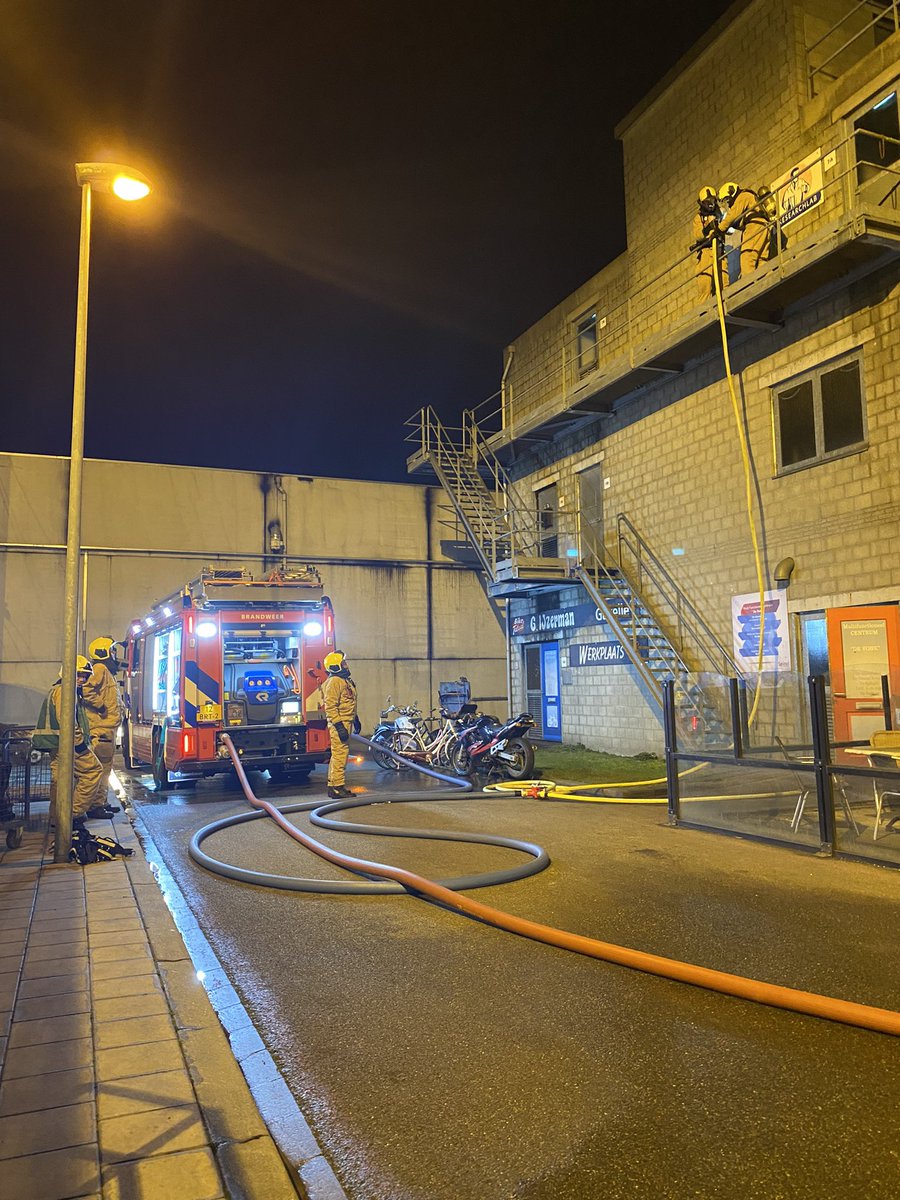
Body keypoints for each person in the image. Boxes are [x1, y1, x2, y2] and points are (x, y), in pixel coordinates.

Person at [32, 656, 104, 829]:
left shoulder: (58, 690)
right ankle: (72, 814)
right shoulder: (66, 692)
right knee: (93, 771)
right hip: (68, 745)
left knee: (60, 782)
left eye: (85, 676)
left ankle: (57, 819)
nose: (83, 679)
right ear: (68, 673)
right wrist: (80, 744)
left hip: (56, 745)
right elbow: (67, 721)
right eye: (79, 675)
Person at [81, 636, 124, 818]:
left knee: (106, 770)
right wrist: (100, 706)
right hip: (101, 729)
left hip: (107, 729)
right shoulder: (99, 669)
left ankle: (101, 802)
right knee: (101, 769)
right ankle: (95, 806)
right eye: (112, 650)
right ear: (103, 652)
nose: (115, 653)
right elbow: (85, 690)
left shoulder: (106, 671)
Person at [322, 650, 361, 799]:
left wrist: (355, 719)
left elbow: (348, 702)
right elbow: (330, 707)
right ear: (335, 666)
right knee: (340, 756)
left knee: (339, 755)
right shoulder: (335, 682)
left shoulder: (344, 681)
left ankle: (334, 786)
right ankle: (337, 787)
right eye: (343, 663)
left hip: (346, 721)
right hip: (340, 723)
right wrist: (339, 727)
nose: (346, 665)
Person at [718, 182, 773, 278]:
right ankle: (767, 278)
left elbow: (732, 215)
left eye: (727, 199)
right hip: (763, 226)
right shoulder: (749, 197)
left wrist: (719, 229)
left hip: (754, 226)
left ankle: (749, 282)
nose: (728, 203)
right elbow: (738, 221)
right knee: (762, 259)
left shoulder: (743, 196)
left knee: (747, 256)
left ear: (732, 193)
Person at [690, 186, 728, 300]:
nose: (711, 204)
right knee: (705, 283)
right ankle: (705, 308)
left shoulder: (721, 212)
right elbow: (697, 234)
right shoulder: (699, 218)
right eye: (708, 202)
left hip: (719, 251)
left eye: (712, 200)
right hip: (706, 252)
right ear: (702, 203)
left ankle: (725, 301)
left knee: (723, 280)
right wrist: (707, 228)